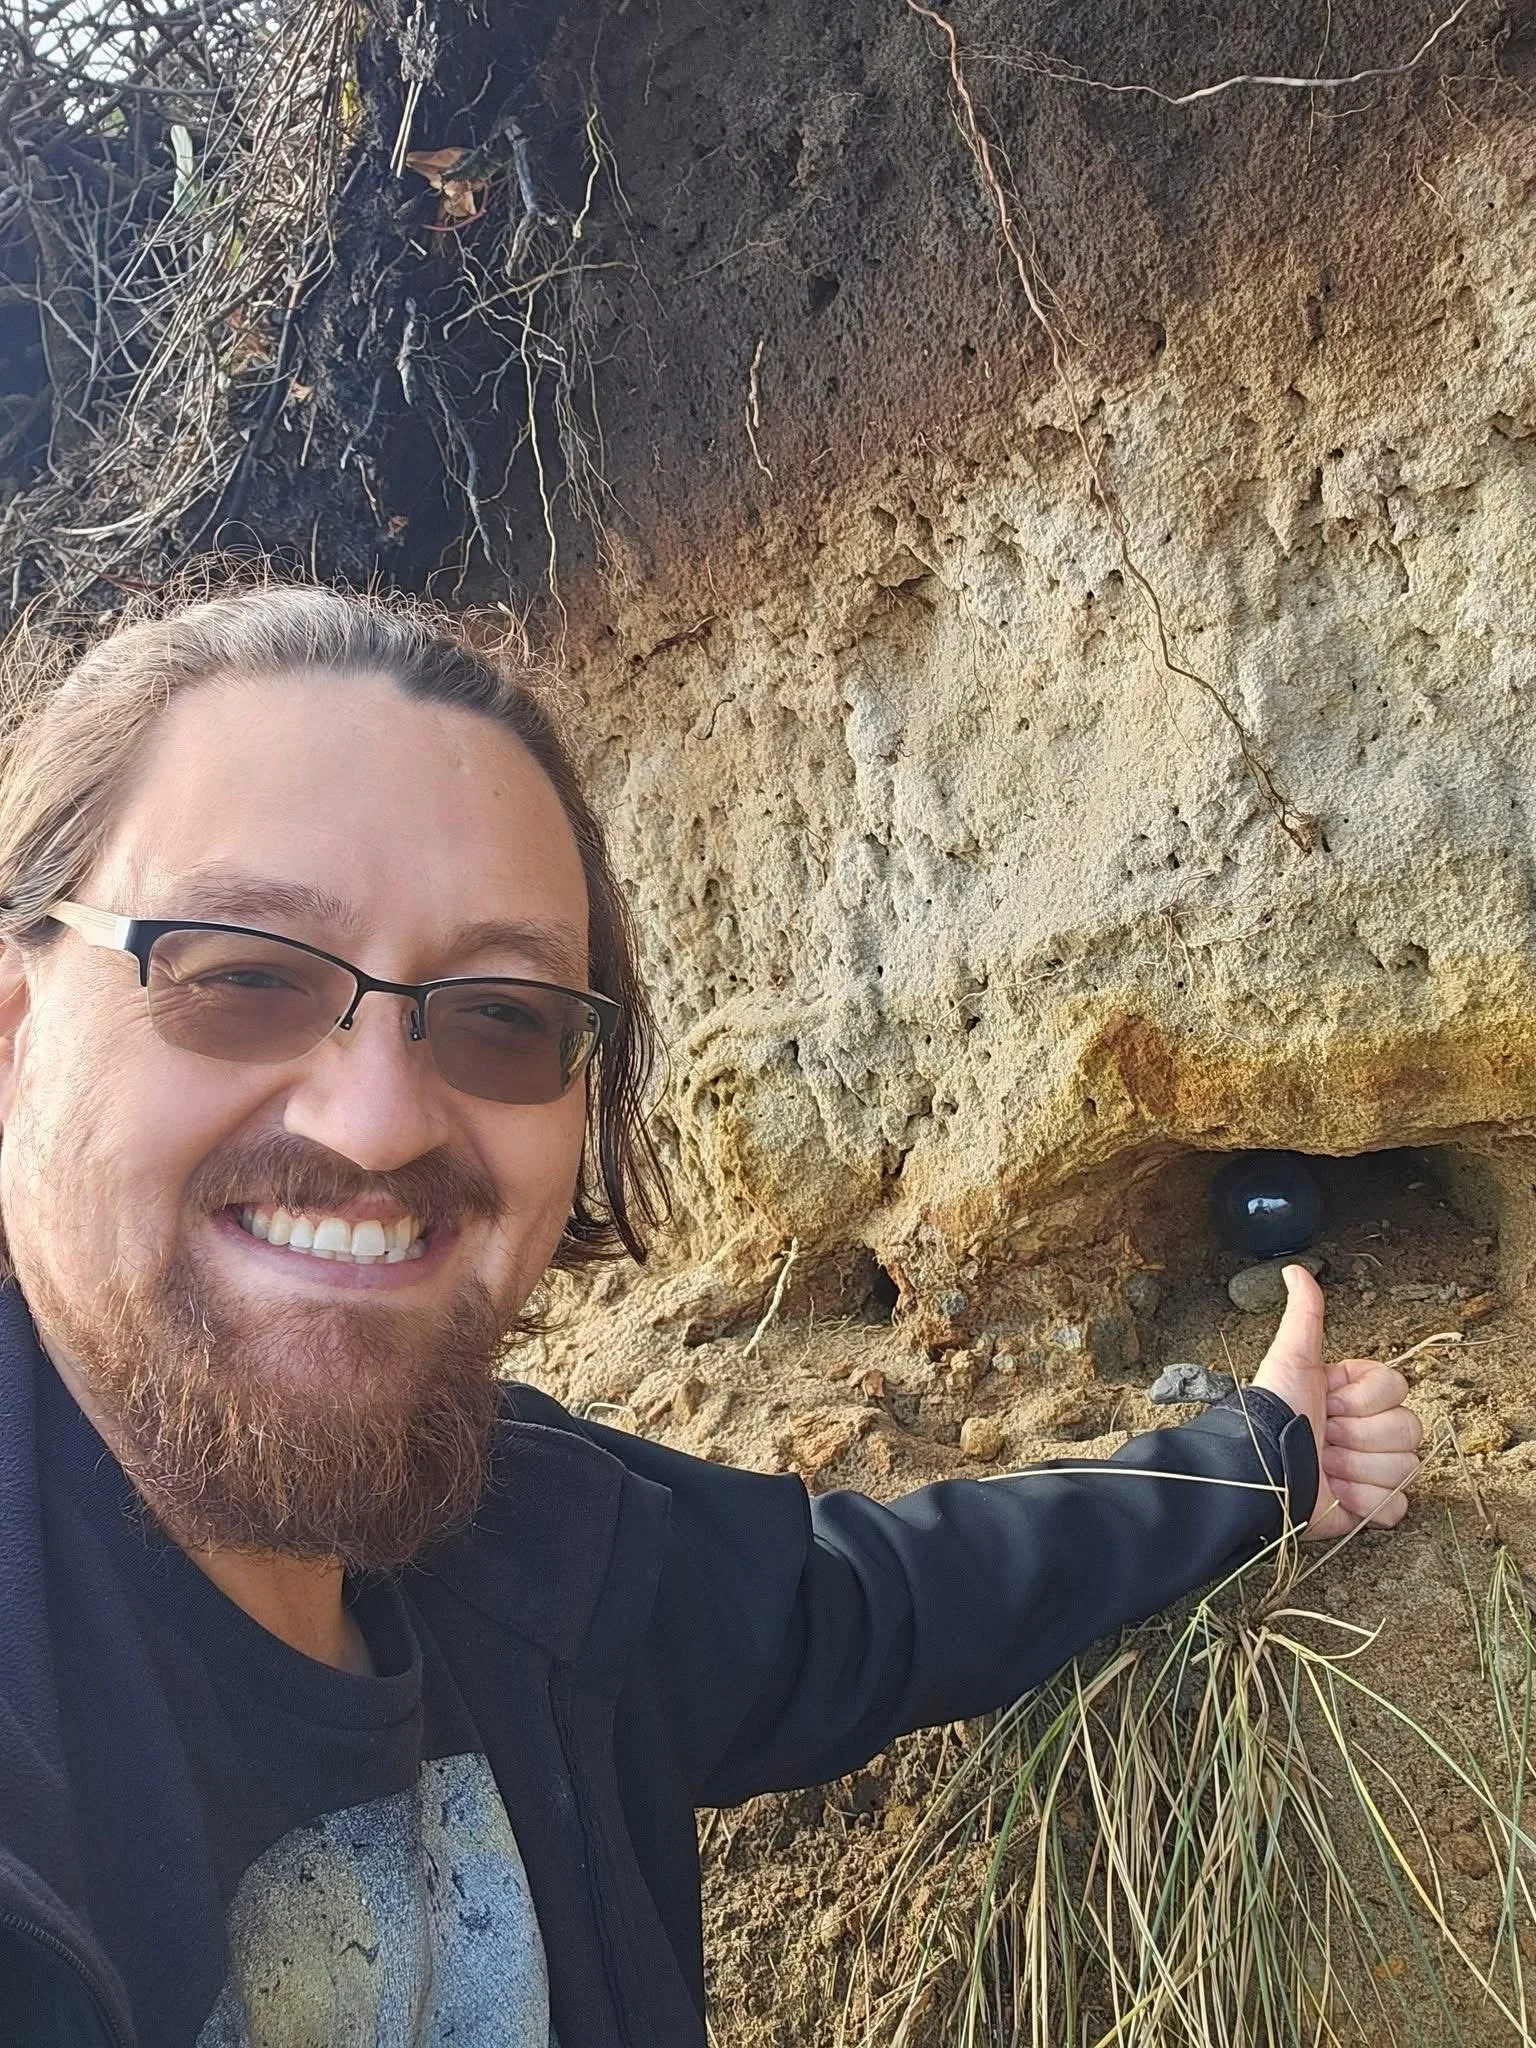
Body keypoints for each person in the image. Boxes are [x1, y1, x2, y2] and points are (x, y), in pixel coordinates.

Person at [0, 587, 1422, 2048]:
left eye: (501, 1015)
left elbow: (861, 1608)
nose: (373, 1124)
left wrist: (1259, 1458)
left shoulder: (519, 1547)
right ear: (14, 1035)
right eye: (239, 977)